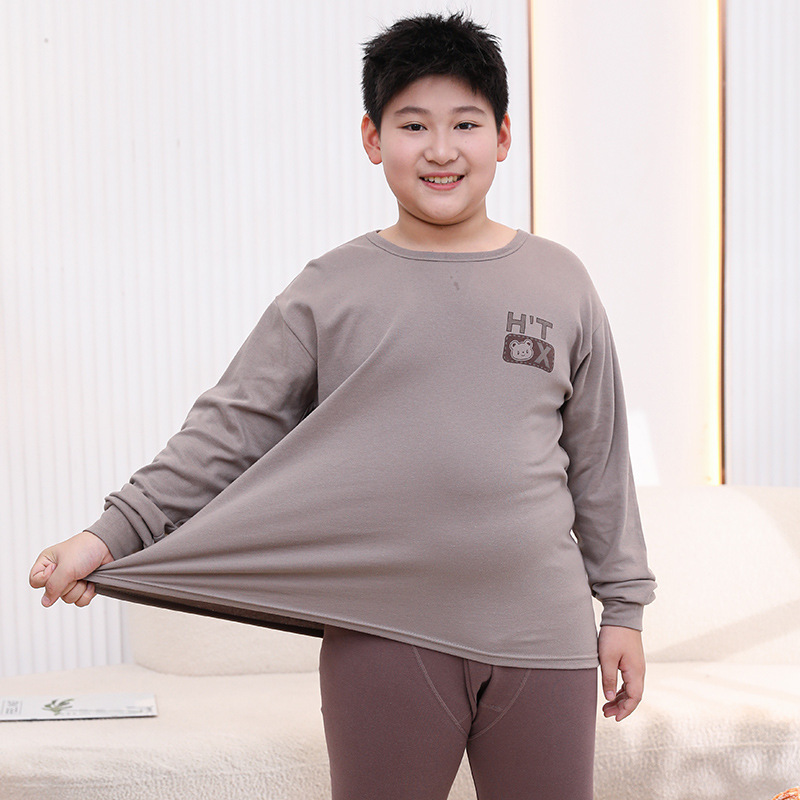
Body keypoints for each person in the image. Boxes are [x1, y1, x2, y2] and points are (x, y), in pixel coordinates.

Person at [30, 12, 656, 799]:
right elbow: (227, 431)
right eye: (413, 125)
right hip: (383, 632)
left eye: (465, 123)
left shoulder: (561, 281)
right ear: (372, 138)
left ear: (502, 137)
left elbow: (600, 461)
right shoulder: (330, 288)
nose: (440, 149)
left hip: (544, 634)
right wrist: (106, 535)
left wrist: (624, 609)